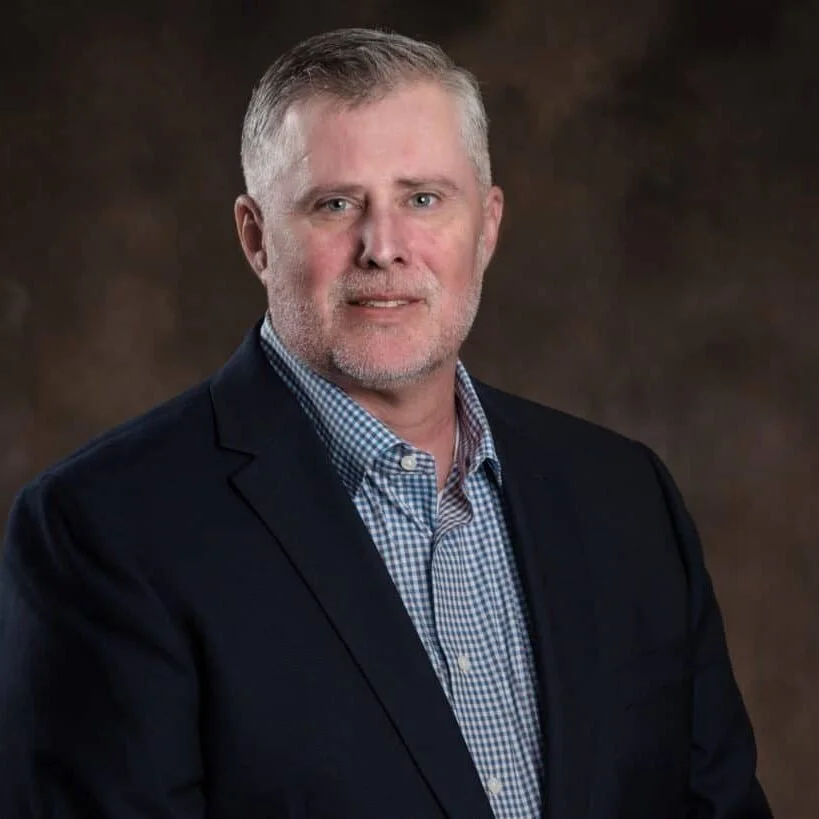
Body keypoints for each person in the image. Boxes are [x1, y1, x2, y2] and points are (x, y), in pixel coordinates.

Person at [0, 27, 772, 819]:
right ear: (256, 237)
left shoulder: (623, 496)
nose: (384, 247)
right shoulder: (104, 531)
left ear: (489, 224)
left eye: (423, 199)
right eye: (335, 204)